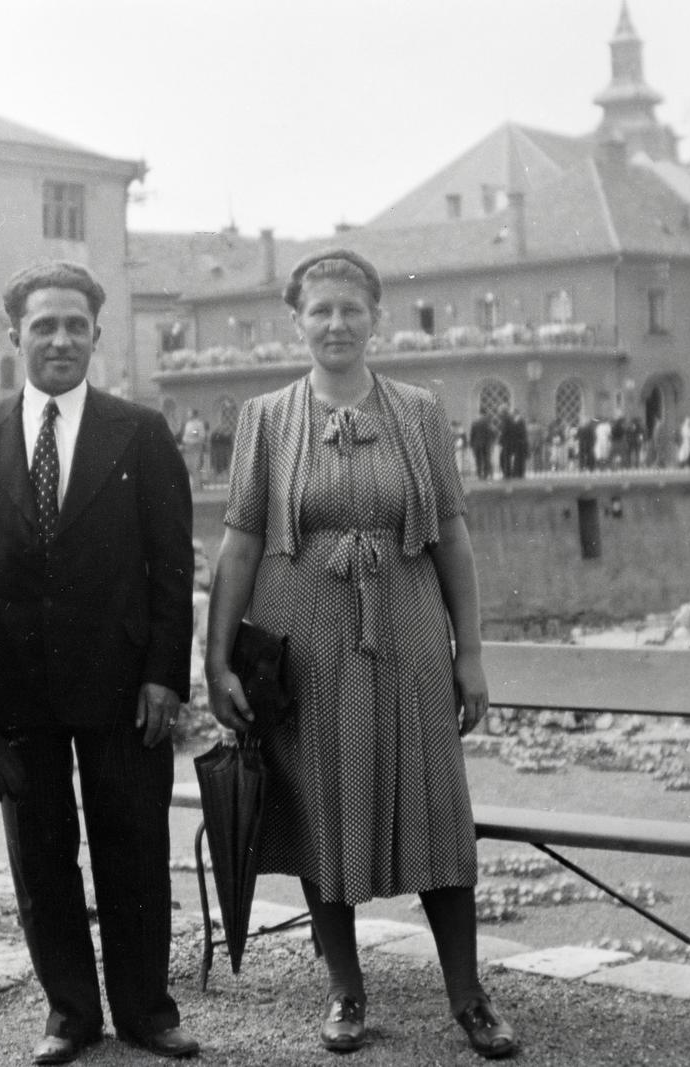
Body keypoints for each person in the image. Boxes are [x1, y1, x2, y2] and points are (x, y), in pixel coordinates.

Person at [205, 249, 517, 1060]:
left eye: (351, 309)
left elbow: (452, 539)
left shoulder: (419, 412)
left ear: (377, 316)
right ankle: (345, 988)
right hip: (303, 640)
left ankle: (468, 995)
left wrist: (471, 653)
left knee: (437, 805)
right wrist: (217, 660)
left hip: (407, 633)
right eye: (321, 310)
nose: (336, 324)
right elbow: (239, 546)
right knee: (322, 804)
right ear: (297, 322)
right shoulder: (265, 419)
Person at [0, 261, 198, 1065]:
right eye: (43, 325)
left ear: (95, 334)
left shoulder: (139, 431)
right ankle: (70, 1013)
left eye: (74, 325)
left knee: (134, 848)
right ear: (15, 333)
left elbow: (171, 565)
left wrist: (164, 675)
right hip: (17, 687)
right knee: (40, 855)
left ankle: (147, 1011)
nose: (59, 339)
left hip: (124, 685)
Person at [180, 407, 209, 486]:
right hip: (188, 448)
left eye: (190, 413)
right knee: (188, 466)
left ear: (194, 414)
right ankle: (191, 484)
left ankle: (197, 485)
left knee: (196, 466)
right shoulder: (188, 424)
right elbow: (185, 436)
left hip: (196, 447)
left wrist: (194, 433)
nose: (188, 414)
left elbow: (201, 435)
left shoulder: (199, 424)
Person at [468, 412, 494, 480]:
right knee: (486, 459)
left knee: (478, 460)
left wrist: (471, 444)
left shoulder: (475, 423)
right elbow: (491, 433)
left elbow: (472, 435)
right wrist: (491, 442)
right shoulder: (487, 423)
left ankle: (479, 474)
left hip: (477, 444)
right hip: (486, 444)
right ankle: (486, 474)